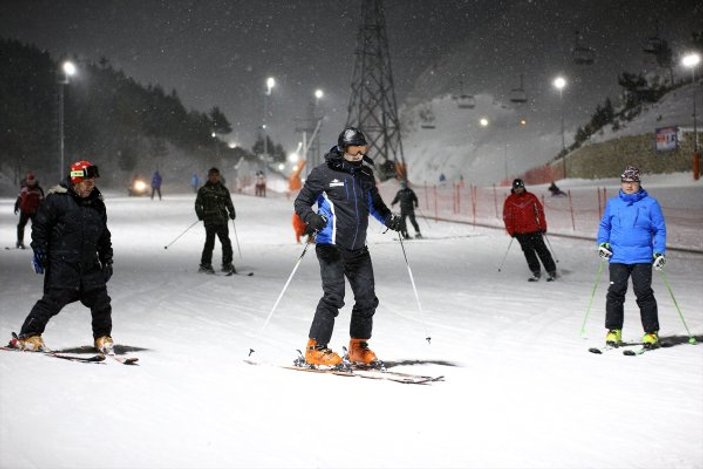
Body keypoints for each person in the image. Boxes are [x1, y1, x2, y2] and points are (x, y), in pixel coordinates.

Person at [294, 126, 402, 366]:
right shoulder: (323, 173)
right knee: (334, 296)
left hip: (358, 249)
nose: (358, 155)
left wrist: (389, 219)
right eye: (354, 150)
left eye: (362, 150)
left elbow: (375, 206)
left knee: (367, 298)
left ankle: (357, 347)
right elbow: (301, 202)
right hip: (330, 245)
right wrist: (311, 218)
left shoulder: (364, 175)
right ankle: (315, 348)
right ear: (343, 148)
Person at [10, 160, 114, 353]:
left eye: (93, 182)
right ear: (76, 181)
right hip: (63, 264)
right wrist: (39, 250)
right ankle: (29, 334)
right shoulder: (56, 200)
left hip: (90, 265)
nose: (92, 185)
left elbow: (103, 235)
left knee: (101, 301)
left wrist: (107, 259)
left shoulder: (97, 204)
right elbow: (40, 227)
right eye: (87, 182)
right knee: (52, 301)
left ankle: (102, 336)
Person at [597, 165, 666, 349]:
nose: (629, 186)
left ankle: (651, 333)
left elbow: (659, 229)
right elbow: (605, 226)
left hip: (642, 257)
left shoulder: (650, 204)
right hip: (618, 257)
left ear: (638, 183)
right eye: (626, 182)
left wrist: (659, 251)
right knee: (615, 293)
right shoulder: (613, 203)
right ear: (621, 183)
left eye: (633, 182)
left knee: (643, 294)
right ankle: (614, 331)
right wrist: (602, 243)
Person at [502, 178, 557, 281]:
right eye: (516, 188)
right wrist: (511, 231)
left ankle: (551, 270)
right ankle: (535, 271)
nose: (518, 190)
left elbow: (539, 212)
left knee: (542, 250)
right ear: (513, 188)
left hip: (534, 229)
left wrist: (543, 226)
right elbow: (507, 217)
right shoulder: (510, 200)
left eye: (520, 187)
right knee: (528, 252)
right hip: (520, 232)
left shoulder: (531, 197)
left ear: (523, 187)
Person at [194, 167, 236, 274]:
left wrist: (232, 211)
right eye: (212, 175)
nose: (214, 177)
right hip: (210, 220)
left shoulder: (223, 190)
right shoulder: (203, 190)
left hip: (222, 220)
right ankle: (205, 264)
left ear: (219, 177)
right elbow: (198, 204)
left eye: (216, 175)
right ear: (208, 176)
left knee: (226, 242)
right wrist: (200, 214)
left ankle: (227, 263)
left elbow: (229, 202)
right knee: (210, 243)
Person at [14, 171, 44, 249]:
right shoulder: (24, 189)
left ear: (34, 181)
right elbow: (19, 198)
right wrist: (16, 206)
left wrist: (43, 210)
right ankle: (20, 241)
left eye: (32, 181)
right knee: (20, 226)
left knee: (37, 227)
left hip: (35, 211)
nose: (30, 182)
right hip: (25, 210)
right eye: (29, 181)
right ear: (27, 181)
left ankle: (38, 242)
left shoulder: (38, 190)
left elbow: (42, 201)